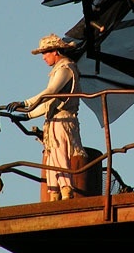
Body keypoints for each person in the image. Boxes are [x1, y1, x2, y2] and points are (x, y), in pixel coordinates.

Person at [6, 34, 87, 201]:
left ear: (55, 51)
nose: (43, 58)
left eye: (45, 53)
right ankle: (54, 194)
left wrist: (26, 102)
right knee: (51, 159)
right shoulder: (58, 71)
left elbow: (49, 93)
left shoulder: (65, 68)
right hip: (53, 121)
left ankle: (66, 192)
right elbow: (48, 103)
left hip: (62, 121)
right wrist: (28, 115)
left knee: (59, 156)